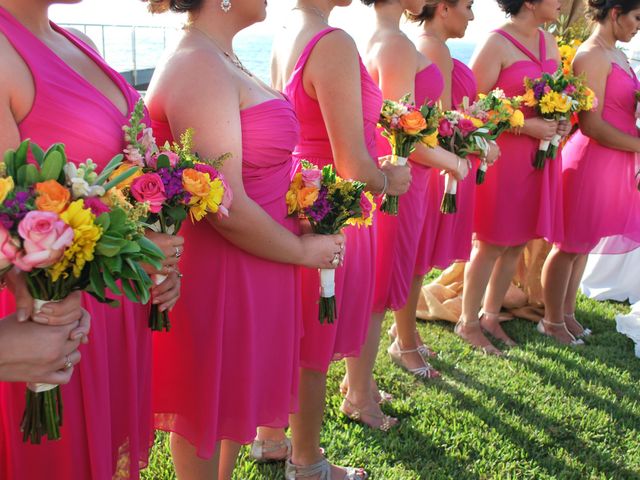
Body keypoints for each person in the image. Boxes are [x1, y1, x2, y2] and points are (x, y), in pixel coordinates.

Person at [144, 0, 344, 478]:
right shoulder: (197, 64)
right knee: (208, 410)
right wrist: (301, 250)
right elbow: (223, 204)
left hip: (258, 257)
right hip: (222, 268)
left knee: (232, 403)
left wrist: (306, 200)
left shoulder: (221, 56)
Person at [0, 1, 181, 478]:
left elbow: (121, 176)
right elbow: (6, 214)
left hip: (107, 309)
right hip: (42, 315)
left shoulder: (76, 40)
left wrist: (150, 246)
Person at [254, 0, 411, 478]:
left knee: (295, 329)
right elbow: (352, 165)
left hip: (293, 196)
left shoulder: (288, 31)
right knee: (314, 343)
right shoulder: (335, 42)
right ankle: (308, 463)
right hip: (331, 207)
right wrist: (389, 181)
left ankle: (270, 439)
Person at [457, 0, 568, 354]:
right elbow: (470, 107)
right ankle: (467, 322)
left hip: (539, 157)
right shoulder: (496, 44)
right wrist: (524, 124)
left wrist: (561, 119)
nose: (562, 3)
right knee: (490, 243)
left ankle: (490, 315)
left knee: (518, 241)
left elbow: (558, 94)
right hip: (505, 156)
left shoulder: (548, 42)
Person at [541, 0, 640, 344]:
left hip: (615, 160)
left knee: (583, 244)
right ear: (616, 13)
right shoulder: (592, 55)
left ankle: (567, 313)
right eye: (636, 18)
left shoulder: (619, 55)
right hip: (591, 161)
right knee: (568, 245)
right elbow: (591, 124)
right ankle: (551, 320)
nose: (638, 26)